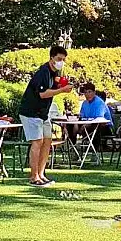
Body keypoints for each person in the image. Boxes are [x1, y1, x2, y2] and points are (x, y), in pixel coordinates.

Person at [18, 45, 73, 187]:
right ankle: (34, 176)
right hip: (31, 112)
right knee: (37, 142)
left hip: (43, 113)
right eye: (59, 59)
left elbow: (53, 87)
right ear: (51, 58)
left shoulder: (54, 73)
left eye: (63, 59)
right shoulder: (43, 72)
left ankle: (41, 174)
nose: (61, 62)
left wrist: (61, 85)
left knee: (47, 141)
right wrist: (61, 90)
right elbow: (42, 94)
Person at [78, 83, 113, 151]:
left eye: (89, 92)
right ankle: (74, 151)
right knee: (71, 127)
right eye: (85, 92)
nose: (87, 94)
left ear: (94, 93)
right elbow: (82, 116)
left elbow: (99, 119)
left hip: (104, 127)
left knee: (95, 128)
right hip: (88, 125)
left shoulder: (99, 103)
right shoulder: (84, 103)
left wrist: (85, 125)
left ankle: (95, 152)